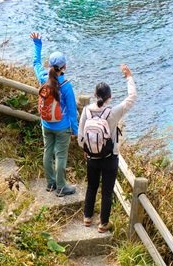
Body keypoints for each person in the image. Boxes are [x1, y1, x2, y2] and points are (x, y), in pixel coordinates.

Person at [78, 64, 137, 233]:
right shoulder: (113, 112)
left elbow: (81, 134)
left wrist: (86, 150)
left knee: (92, 186)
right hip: (110, 157)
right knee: (107, 191)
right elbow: (132, 97)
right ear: (109, 97)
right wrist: (129, 77)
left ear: (95, 95)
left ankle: (87, 218)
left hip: (92, 158)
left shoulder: (87, 111)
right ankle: (103, 224)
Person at [30, 32, 78, 197]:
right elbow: (72, 111)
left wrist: (37, 43)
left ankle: (50, 183)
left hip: (46, 123)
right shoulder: (66, 85)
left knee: (47, 152)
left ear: (49, 65)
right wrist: (76, 131)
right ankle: (61, 187)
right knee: (60, 156)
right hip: (62, 126)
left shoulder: (43, 78)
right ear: (63, 67)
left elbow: (35, 62)